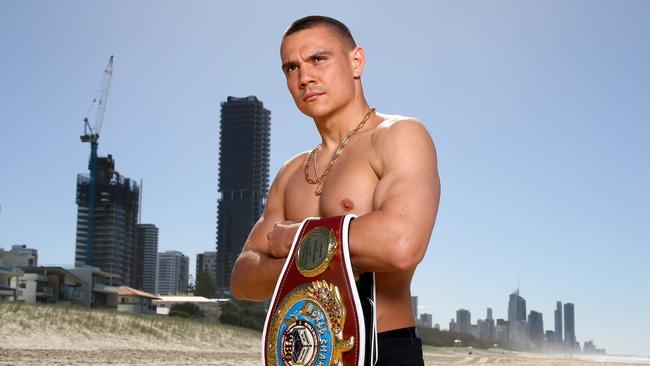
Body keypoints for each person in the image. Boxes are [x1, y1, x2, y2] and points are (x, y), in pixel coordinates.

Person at [231, 15, 440, 365]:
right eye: (291, 67)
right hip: (299, 353)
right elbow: (243, 278)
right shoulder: (291, 172)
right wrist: (330, 248)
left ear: (356, 60)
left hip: (381, 349)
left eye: (318, 59)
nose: (304, 77)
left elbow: (401, 244)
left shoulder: (397, 136)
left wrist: (294, 239)